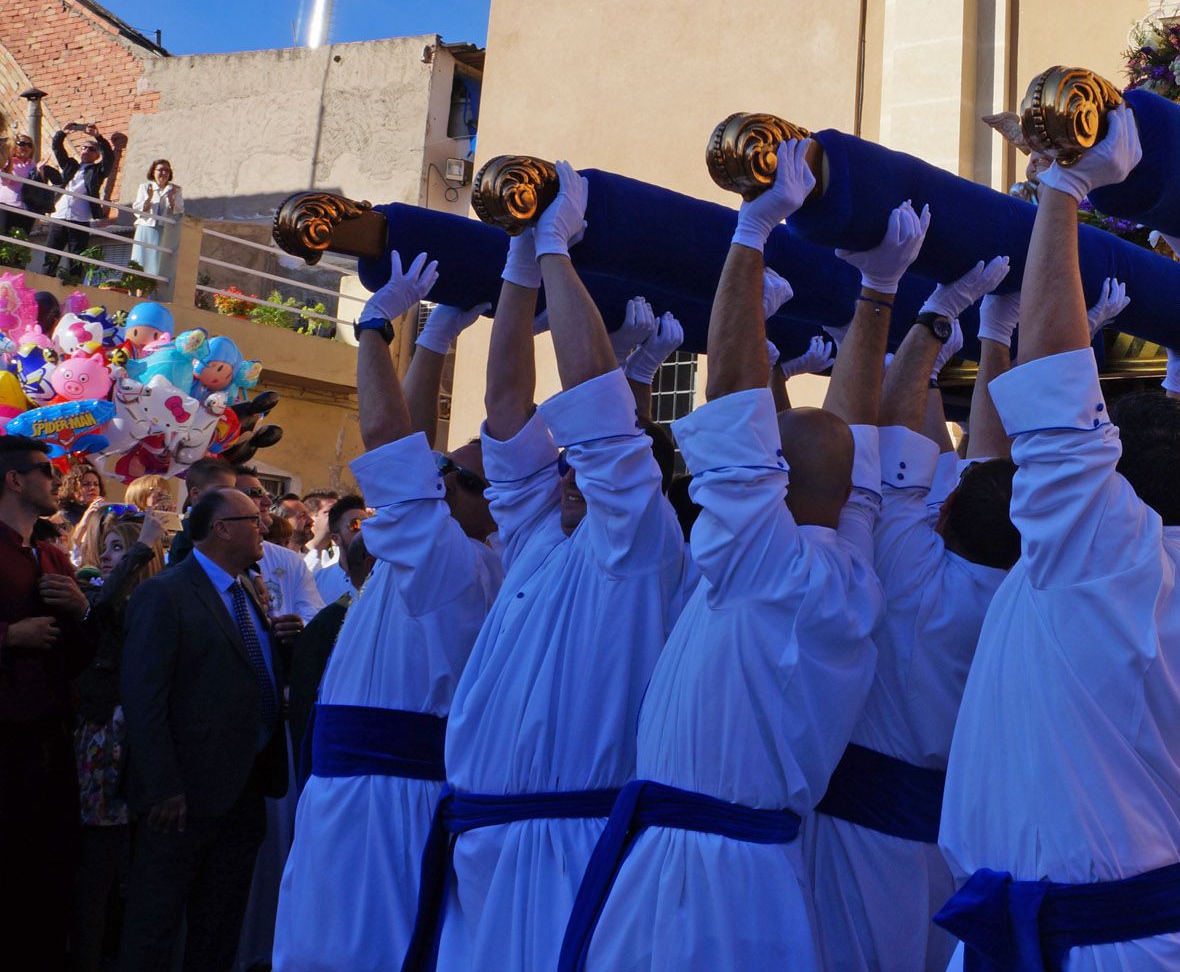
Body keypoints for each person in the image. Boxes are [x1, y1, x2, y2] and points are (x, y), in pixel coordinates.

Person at [934, 108, 1180, 968]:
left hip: (1100, 948)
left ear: (1114, 485)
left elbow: (1054, 391)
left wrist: (1066, 186)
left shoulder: (1108, 558)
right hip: (1169, 935)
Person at [562, 161, 906, 972]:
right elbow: (847, 444)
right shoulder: (849, 570)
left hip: (693, 877)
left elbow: (733, 399)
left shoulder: (768, 566)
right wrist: (880, 294)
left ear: (774, 482)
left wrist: (752, 230)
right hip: (753, 867)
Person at [403, 168, 690, 972]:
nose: (563, 470)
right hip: (480, 847)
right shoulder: (534, 536)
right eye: (561, 466)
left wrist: (562, 252)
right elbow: (503, 406)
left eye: (582, 466)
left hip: (576, 846)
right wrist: (521, 262)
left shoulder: (640, 544)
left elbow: (600, 408)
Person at [273, 261, 503, 972]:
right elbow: (414, 448)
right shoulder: (443, 543)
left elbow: (388, 437)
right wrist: (435, 337)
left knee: (360, 953)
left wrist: (375, 328)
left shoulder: (460, 564)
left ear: (496, 500)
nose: (439, 481)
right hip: (347, 785)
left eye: (458, 478)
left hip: (389, 799)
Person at [804, 254, 1020, 972]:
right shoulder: (1027, 596)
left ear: (947, 509)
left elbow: (891, 440)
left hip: (860, 833)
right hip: (959, 845)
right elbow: (987, 464)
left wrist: (936, 318)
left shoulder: (909, 567)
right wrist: (995, 334)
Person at [116, 483, 292, 972]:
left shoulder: (248, 590)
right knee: (156, 925)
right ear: (220, 529)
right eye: (252, 520)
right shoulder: (165, 593)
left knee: (219, 927)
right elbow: (144, 699)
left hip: (244, 788)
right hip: (183, 797)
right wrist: (163, 785)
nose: (263, 527)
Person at [0, 435, 94, 972]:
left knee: (48, 875)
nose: (57, 480)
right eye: (45, 470)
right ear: (13, 479)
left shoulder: (54, 554)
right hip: (5, 738)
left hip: (51, 740)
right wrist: (9, 636)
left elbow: (77, 655)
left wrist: (80, 610)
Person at [72, 534, 163, 971]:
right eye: (105, 548)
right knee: (97, 865)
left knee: (130, 869)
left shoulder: (154, 602)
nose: (107, 558)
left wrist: (143, 550)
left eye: (118, 549)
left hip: (135, 745)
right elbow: (102, 607)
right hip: (101, 740)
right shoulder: (94, 598)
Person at [40, 123, 114, 283]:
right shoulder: (70, 165)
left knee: (76, 259)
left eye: (91, 149)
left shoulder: (98, 171)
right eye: (84, 147)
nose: (86, 151)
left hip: (80, 219)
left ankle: (73, 291)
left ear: (97, 155)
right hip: (59, 215)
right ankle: (45, 283)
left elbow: (109, 158)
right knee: (51, 254)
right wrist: (63, 133)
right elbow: (57, 149)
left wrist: (98, 137)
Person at [312, 495, 374, 604]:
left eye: (368, 525)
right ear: (336, 539)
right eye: (356, 525)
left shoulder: (384, 576)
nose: (364, 531)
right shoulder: (317, 582)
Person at [128, 157, 183, 277]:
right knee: (140, 260)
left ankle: (151, 292)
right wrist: (149, 197)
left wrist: (171, 198)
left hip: (164, 230)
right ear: (153, 171)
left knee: (157, 263)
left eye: (167, 170)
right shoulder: (145, 187)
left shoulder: (175, 189)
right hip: (146, 227)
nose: (164, 173)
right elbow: (138, 210)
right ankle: (135, 289)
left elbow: (179, 212)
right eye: (161, 170)